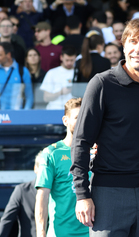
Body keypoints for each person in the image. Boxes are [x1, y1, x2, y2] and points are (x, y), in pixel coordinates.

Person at [70, 17, 139, 237]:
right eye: (132, 42)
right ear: (123, 46)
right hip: (107, 193)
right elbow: (81, 141)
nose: (138, 48)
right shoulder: (102, 84)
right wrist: (82, 195)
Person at [35, 98, 89, 237]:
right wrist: (41, 233)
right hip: (62, 233)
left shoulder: (98, 151)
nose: (82, 121)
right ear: (65, 120)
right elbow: (42, 196)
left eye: (85, 116)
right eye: (77, 117)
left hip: (94, 232)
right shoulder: (52, 153)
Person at [0, 151, 42, 237]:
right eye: (43, 168)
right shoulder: (22, 191)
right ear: (35, 168)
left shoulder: (59, 191)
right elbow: (7, 220)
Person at [40, 45, 77, 110]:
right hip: (55, 109)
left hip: (73, 111)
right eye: (67, 60)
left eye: (72, 60)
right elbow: (46, 98)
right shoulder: (52, 72)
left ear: (75, 58)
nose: (69, 63)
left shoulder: (78, 72)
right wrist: (61, 92)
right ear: (61, 57)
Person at [0, 42, 33, 110]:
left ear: (8, 55)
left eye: (0, 55)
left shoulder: (23, 71)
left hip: (17, 114)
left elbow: (29, 96)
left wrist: (24, 114)